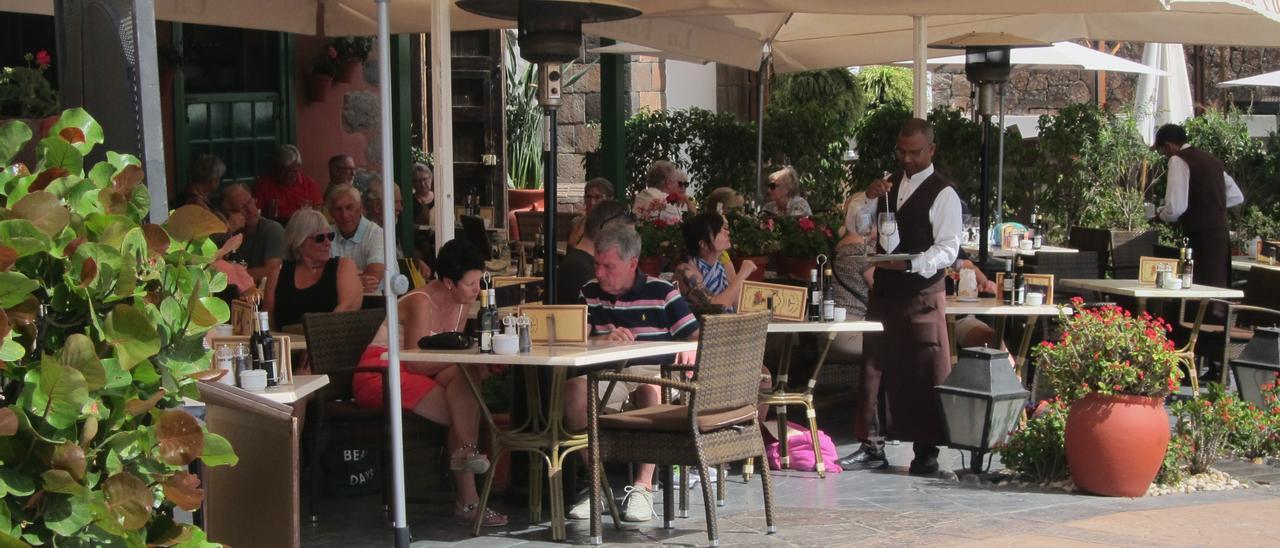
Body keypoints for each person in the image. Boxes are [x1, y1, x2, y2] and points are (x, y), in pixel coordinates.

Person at [350, 239, 508, 527]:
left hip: (415, 373)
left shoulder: (462, 304)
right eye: (471, 283)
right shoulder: (420, 301)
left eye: (479, 281)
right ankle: (468, 496)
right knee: (458, 412)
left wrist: (476, 367)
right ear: (448, 282)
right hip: (382, 371)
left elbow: (447, 361)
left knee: (467, 381)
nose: (478, 290)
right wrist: (468, 359)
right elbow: (415, 361)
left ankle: (467, 468)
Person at [843, 118, 962, 475]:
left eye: (914, 153)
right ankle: (872, 445)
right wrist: (867, 198)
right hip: (885, 289)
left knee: (925, 368)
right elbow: (857, 228)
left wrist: (913, 264)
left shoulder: (943, 193)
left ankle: (926, 452)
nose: (907, 159)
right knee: (875, 364)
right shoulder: (888, 187)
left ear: (931, 150)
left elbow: (948, 249)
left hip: (922, 291)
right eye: (902, 152)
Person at [562, 224, 700, 522]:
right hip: (609, 375)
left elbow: (696, 335)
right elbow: (572, 339)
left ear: (632, 264)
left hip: (658, 371)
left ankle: (643, 487)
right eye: (597, 264)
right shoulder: (589, 292)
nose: (599, 273)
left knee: (648, 389)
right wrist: (599, 340)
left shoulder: (662, 293)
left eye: (608, 266)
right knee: (573, 392)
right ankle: (597, 487)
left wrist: (692, 346)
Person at [1150, 123, 1245, 289]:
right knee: (1217, 286)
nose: (1164, 155)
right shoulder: (1213, 161)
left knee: (1199, 287)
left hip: (1201, 235)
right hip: (1221, 234)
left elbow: (1175, 208)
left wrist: (1159, 216)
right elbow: (1236, 196)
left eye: (1162, 151)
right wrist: (1209, 204)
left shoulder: (1177, 159)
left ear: (1169, 146)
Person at [264, 209, 363, 330]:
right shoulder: (278, 274)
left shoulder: (343, 266)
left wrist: (315, 337)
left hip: (329, 342)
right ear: (299, 241)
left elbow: (348, 309)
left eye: (330, 236)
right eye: (320, 238)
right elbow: (268, 323)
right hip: (288, 345)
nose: (328, 243)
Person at [672, 212, 757, 311]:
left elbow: (737, 303)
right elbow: (715, 308)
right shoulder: (684, 271)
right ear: (703, 244)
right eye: (719, 231)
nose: (727, 232)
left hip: (727, 324)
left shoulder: (723, 266)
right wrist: (742, 274)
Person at [555, 200, 633, 305]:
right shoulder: (579, 270)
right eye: (625, 238)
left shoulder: (581, 264)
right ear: (608, 231)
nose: (628, 245)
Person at [326, 184, 385, 293]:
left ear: (360, 208)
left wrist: (335, 282)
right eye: (338, 209)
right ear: (331, 213)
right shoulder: (326, 235)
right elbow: (319, 277)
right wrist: (357, 281)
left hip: (376, 304)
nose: (344, 214)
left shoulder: (377, 234)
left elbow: (372, 280)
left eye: (349, 207)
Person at [221, 183, 286, 282]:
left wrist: (232, 276)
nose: (250, 210)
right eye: (242, 207)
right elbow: (215, 270)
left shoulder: (272, 229)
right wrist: (227, 232)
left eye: (250, 202)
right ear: (229, 213)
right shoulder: (226, 233)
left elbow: (272, 271)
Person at [252, 144, 323, 224]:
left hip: (302, 228)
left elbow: (318, 215)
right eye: (283, 171)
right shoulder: (264, 185)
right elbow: (255, 214)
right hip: (275, 228)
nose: (288, 176)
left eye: (293, 171)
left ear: (299, 167)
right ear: (276, 168)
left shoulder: (309, 185)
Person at [567, 177, 614, 249]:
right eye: (588, 197)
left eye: (597, 197)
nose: (591, 202)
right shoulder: (577, 223)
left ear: (609, 199)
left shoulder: (614, 226)